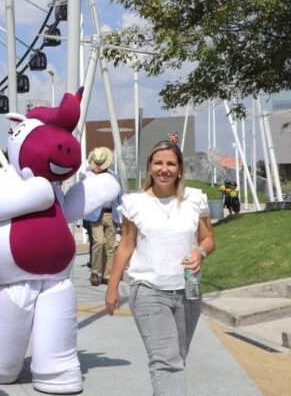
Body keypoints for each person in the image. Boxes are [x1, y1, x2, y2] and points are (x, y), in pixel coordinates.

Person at [106, 140, 216, 396]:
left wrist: (200, 252)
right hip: (148, 290)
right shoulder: (135, 203)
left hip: (188, 291)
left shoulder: (195, 200)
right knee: (166, 361)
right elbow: (126, 245)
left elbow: (208, 239)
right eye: (158, 163)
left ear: (179, 169)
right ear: (149, 167)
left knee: (176, 358)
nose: (164, 169)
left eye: (170, 163)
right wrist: (112, 287)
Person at [83, 147, 122, 286]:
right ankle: (95, 271)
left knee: (110, 246)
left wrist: (121, 217)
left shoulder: (114, 176)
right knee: (98, 242)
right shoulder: (87, 176)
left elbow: (119, 197)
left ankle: (107, 275)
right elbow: (82, 197)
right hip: (95, 215)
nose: (99, 166)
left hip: (111, 214)